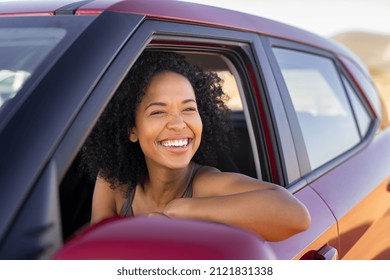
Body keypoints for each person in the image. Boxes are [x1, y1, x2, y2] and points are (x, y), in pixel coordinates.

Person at [81, 51, 310, 242]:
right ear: (132, 130)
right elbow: (97, 255)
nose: (179, 124)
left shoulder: (206, 184)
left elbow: (297, 215)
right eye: (158, 112)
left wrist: (180, 211)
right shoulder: (113, 184)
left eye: (189, 109)